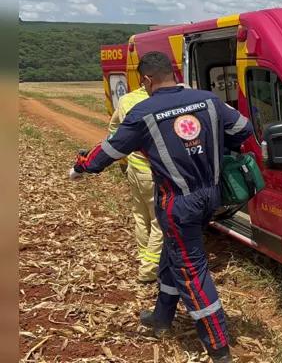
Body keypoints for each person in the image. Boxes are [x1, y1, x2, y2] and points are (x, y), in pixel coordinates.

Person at [68, 51, 253, 363]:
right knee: (172, 254)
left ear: (147, 80)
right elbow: (244, 129)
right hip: (210, 195)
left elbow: (108, 151)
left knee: (192, 272)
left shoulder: (144, 112)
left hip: (178, 203)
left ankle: (219, 348)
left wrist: (80, 166)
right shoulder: (207, 99)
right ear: (175, 73)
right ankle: (161, 319)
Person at [108, 85, 162, 283]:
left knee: (141, 215)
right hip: (154, 171)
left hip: (134, 168)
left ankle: (143, 257)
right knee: (160, 222)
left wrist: (127, 152)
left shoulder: (126, 100)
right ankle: (149, 271)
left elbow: (115, 129)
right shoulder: (161, 100)